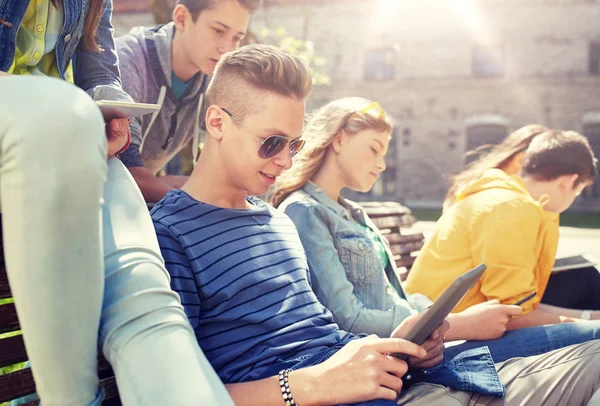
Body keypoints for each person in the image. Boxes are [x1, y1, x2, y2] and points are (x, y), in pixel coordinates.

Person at [152, 43, 600, 406]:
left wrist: (403, 342)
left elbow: (323, 331)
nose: (286, 160)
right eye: (271, 143)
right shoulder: (172, 235)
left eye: (295, 143)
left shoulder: (274, 221)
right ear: (217, 122)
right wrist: (312, 384)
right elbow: (168, 395)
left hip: (382, 379)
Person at [0, 0, 232, 404]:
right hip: (48, 123)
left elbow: (99, 68)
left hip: (69, 132)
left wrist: (114, 110)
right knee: (65, 115)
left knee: (144, 294)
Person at [268, 97, 600, 363]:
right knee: (594, 339)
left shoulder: (353, 212)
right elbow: (349, 320)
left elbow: (395, 299)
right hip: (395, 357)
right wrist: (459, 324)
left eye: (384, 153)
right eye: (373, 149)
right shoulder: (305, 211)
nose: (382, 164)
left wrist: (441, 318)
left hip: (423, 348)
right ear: (338, 139)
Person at [404, 128, 599, 329]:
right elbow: (514, 313)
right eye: (578, 191)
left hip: (450, 319)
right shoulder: (510, 208)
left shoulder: (502, 198)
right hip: (451, 335)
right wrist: (591, 321)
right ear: (568, 182)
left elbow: (518, 304)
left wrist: (590, 316)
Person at [116, 0, 262, 202]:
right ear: (182, 19)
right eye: (218, 31)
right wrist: (202, 199)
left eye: (237, 38)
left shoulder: (215, 74)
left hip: (139, 199)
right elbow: (125, 171)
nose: (227, 49)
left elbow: (241, 146)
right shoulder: (127, 61)